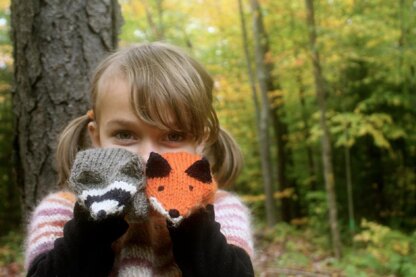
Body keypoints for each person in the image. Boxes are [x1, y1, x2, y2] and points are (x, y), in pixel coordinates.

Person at [24, 42, 254, 277]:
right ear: (97, 138)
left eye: (173, 136)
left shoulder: (223, 209)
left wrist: (188, 216)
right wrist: (97, 221)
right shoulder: (60, 210)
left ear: (200, 143)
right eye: (124, 135)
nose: (146, 157)